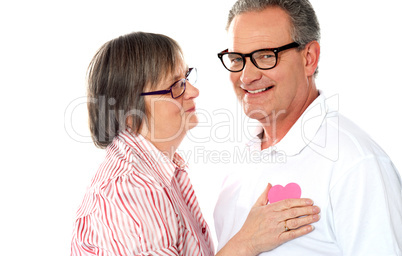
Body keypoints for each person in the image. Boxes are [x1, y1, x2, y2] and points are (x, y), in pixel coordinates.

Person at [70, 32, 320, 256]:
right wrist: (247, 242)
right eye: (175, 86)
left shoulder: (160, 171)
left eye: (186, 77)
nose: (193, 92)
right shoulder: (129, 190)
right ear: (128, 112)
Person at [214, 0, 402, 255]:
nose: (246, 77)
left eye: (266, 56)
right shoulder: (239, 160)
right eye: (237, 59)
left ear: (309, 59)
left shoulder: (355, 165)